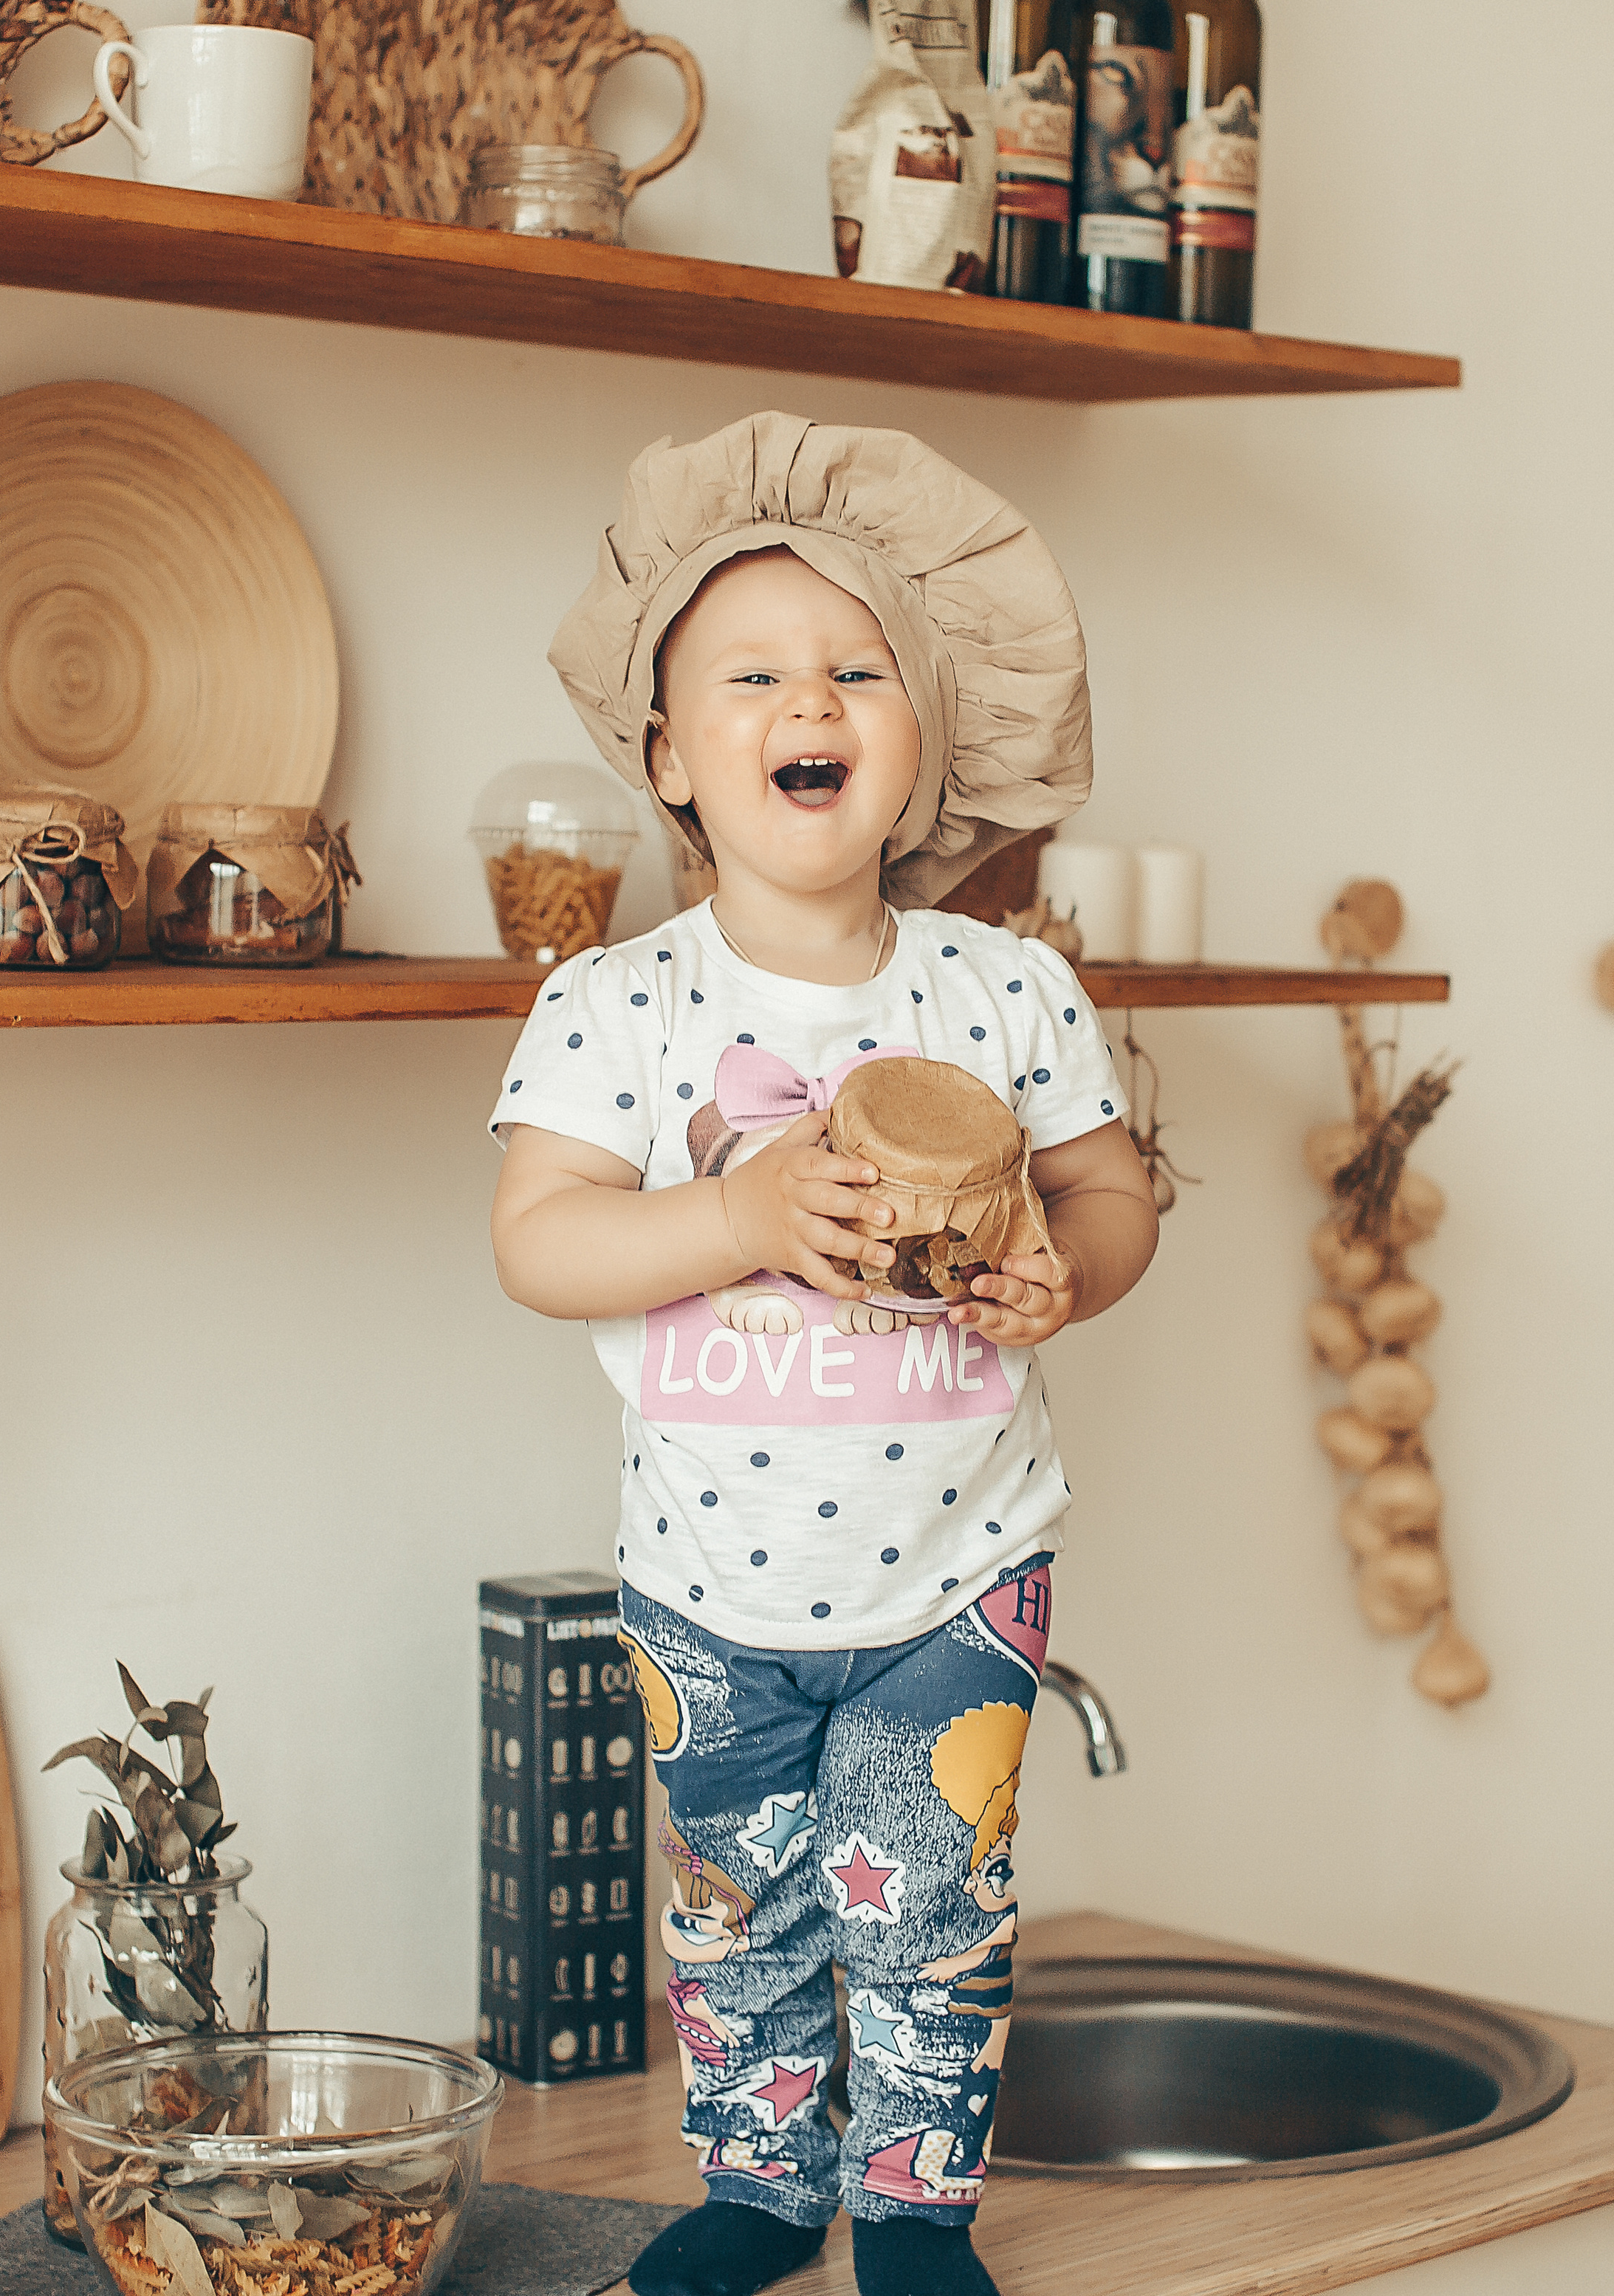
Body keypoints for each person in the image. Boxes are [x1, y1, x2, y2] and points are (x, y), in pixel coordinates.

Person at [490, 413, 1158, 2296]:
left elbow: (1111, 1200)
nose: (810, 701)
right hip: (706, 1580)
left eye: (858, 670)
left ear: (919, 738)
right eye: (754, 676)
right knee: (736, 1911)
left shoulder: (1007, 985)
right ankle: (762, 2190)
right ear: (665, 757)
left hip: (960, 1566)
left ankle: (917, 2215)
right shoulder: (617, 1003)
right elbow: (538, 1239)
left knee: (933, 1910)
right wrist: (739, 1213)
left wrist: (1062, 1277)